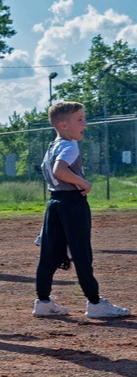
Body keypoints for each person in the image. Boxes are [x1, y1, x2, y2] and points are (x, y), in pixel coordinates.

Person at [33, 102, 130, 319]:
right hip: (72, 204)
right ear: (63, 125)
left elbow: (51, 170)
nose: (85, 123)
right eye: (80, 119)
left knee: (48, 254)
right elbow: (60, 170)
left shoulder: (52, 146)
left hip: (54, 202)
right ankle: (95, 303)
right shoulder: (69, 146)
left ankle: (43, 300)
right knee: (82, 253)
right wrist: (84, 183)